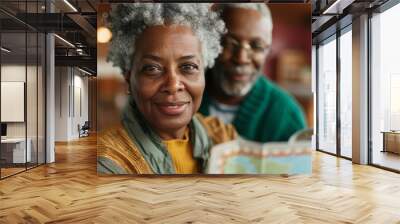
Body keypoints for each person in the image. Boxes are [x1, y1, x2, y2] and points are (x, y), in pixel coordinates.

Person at [97, 3, 236, 175]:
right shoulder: (107, 161)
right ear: (129, 79)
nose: (172, 85)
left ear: (203, 74)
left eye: (188, 66)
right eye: (152, 69)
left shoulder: (222, 136)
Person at [199, 3, 307, 143]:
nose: (241, 58)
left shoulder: (287, 114)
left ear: (268, 51)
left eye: (257, 46)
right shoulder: (182, 99)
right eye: (229, 43)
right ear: (210, 43)